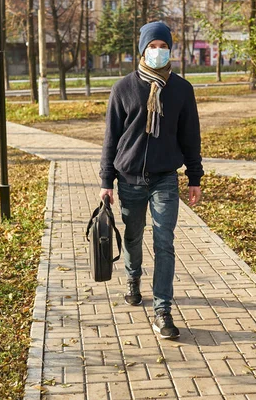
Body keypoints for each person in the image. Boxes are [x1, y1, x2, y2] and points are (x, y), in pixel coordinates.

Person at [99, 21, 203, 339]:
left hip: (165, 179)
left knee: (164, 243)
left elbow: (190, 137)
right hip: (129, 178)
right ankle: (132, 279)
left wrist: (195, 177)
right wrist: (106, 180)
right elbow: (111, 138)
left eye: (163, 46)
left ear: (170, 49)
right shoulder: (123, 88)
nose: (158, 51)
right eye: (152, 46)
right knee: (132, 237)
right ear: (142, 49)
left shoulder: (182, 90)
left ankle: (162, 310)